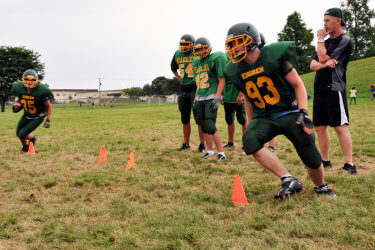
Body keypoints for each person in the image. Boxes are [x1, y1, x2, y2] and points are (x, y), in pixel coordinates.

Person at [225, 22, 336, 199]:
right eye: (231, 44)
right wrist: (251, 122)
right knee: (250, 140)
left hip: (289, 111)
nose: (233, 48)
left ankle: (321, 186)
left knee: (308, 149)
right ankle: (289, 179)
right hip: (264, 117)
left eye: (237, 42)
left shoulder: (273, 57)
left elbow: (298, 85)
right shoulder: (235, 69)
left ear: (252, 40)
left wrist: (303, 112)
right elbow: (248, 97)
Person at [310, 8, 356, 174]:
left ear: (338, 20)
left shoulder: (345, 40)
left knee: (339, 126)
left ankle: (349, 164)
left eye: (328, 20)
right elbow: (313, 65)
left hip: (335, 88)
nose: (324, 24)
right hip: (319, 89)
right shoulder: (326, 42)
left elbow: (321, 58)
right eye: (323, 21)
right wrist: (323, 64)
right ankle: (325, 160)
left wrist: (320, 40)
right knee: (320, 127)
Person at [193, 37, 227, 161]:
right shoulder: (196, 62)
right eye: (197, 49)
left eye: (202, 48)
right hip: (201, 98)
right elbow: (198, 82)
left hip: (211, 97)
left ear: (208, 48)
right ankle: (210, 151)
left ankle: (222, 153)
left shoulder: (214, 59)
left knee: (210, 125)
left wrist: (218, 97)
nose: (200, 51)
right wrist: (195, 98)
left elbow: (221, 79)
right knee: (204, 126)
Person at [171, 34, 205, 152]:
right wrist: (179, 78)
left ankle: (202, 144)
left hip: (195, 89)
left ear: (192, 45)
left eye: (186, 44)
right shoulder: (177, 54)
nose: (183, 47)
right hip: (183, 90)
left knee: (199, 119)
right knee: (185, 119)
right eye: (182, 44)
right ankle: (186, 144)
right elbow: (173, 68)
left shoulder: (196, 52)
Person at [11, 69, 53, 152]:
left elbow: (49, 106)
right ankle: (26, 146)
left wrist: (48, 120)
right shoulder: (20, 89)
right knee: (18, 133)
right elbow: (19, 100)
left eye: (32, 80)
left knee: (22, 134)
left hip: (37, 117)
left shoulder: (41, 91)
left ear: (36, 80)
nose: (29, 82)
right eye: (27, 79)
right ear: (23, 79)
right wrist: (16, 105)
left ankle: (32, 139)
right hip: (26, 115)